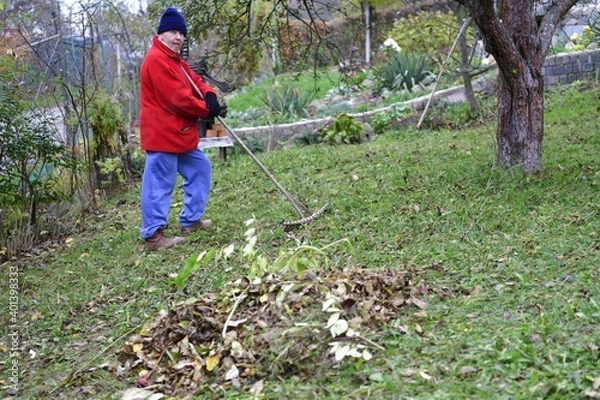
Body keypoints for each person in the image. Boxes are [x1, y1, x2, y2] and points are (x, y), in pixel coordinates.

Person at [139, 7, 224, 251]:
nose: (178, 37)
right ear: (162, 34)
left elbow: (194, 82)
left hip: (179, 133)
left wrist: (209, 95)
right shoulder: (156, 60)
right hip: (162, 134)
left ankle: (190, 221)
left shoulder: (175, 60)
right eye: (173, 32)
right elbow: (177, 99)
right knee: (160, 184)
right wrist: (205, 111)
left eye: (181, 33)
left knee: (200, 168)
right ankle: (153, 236)